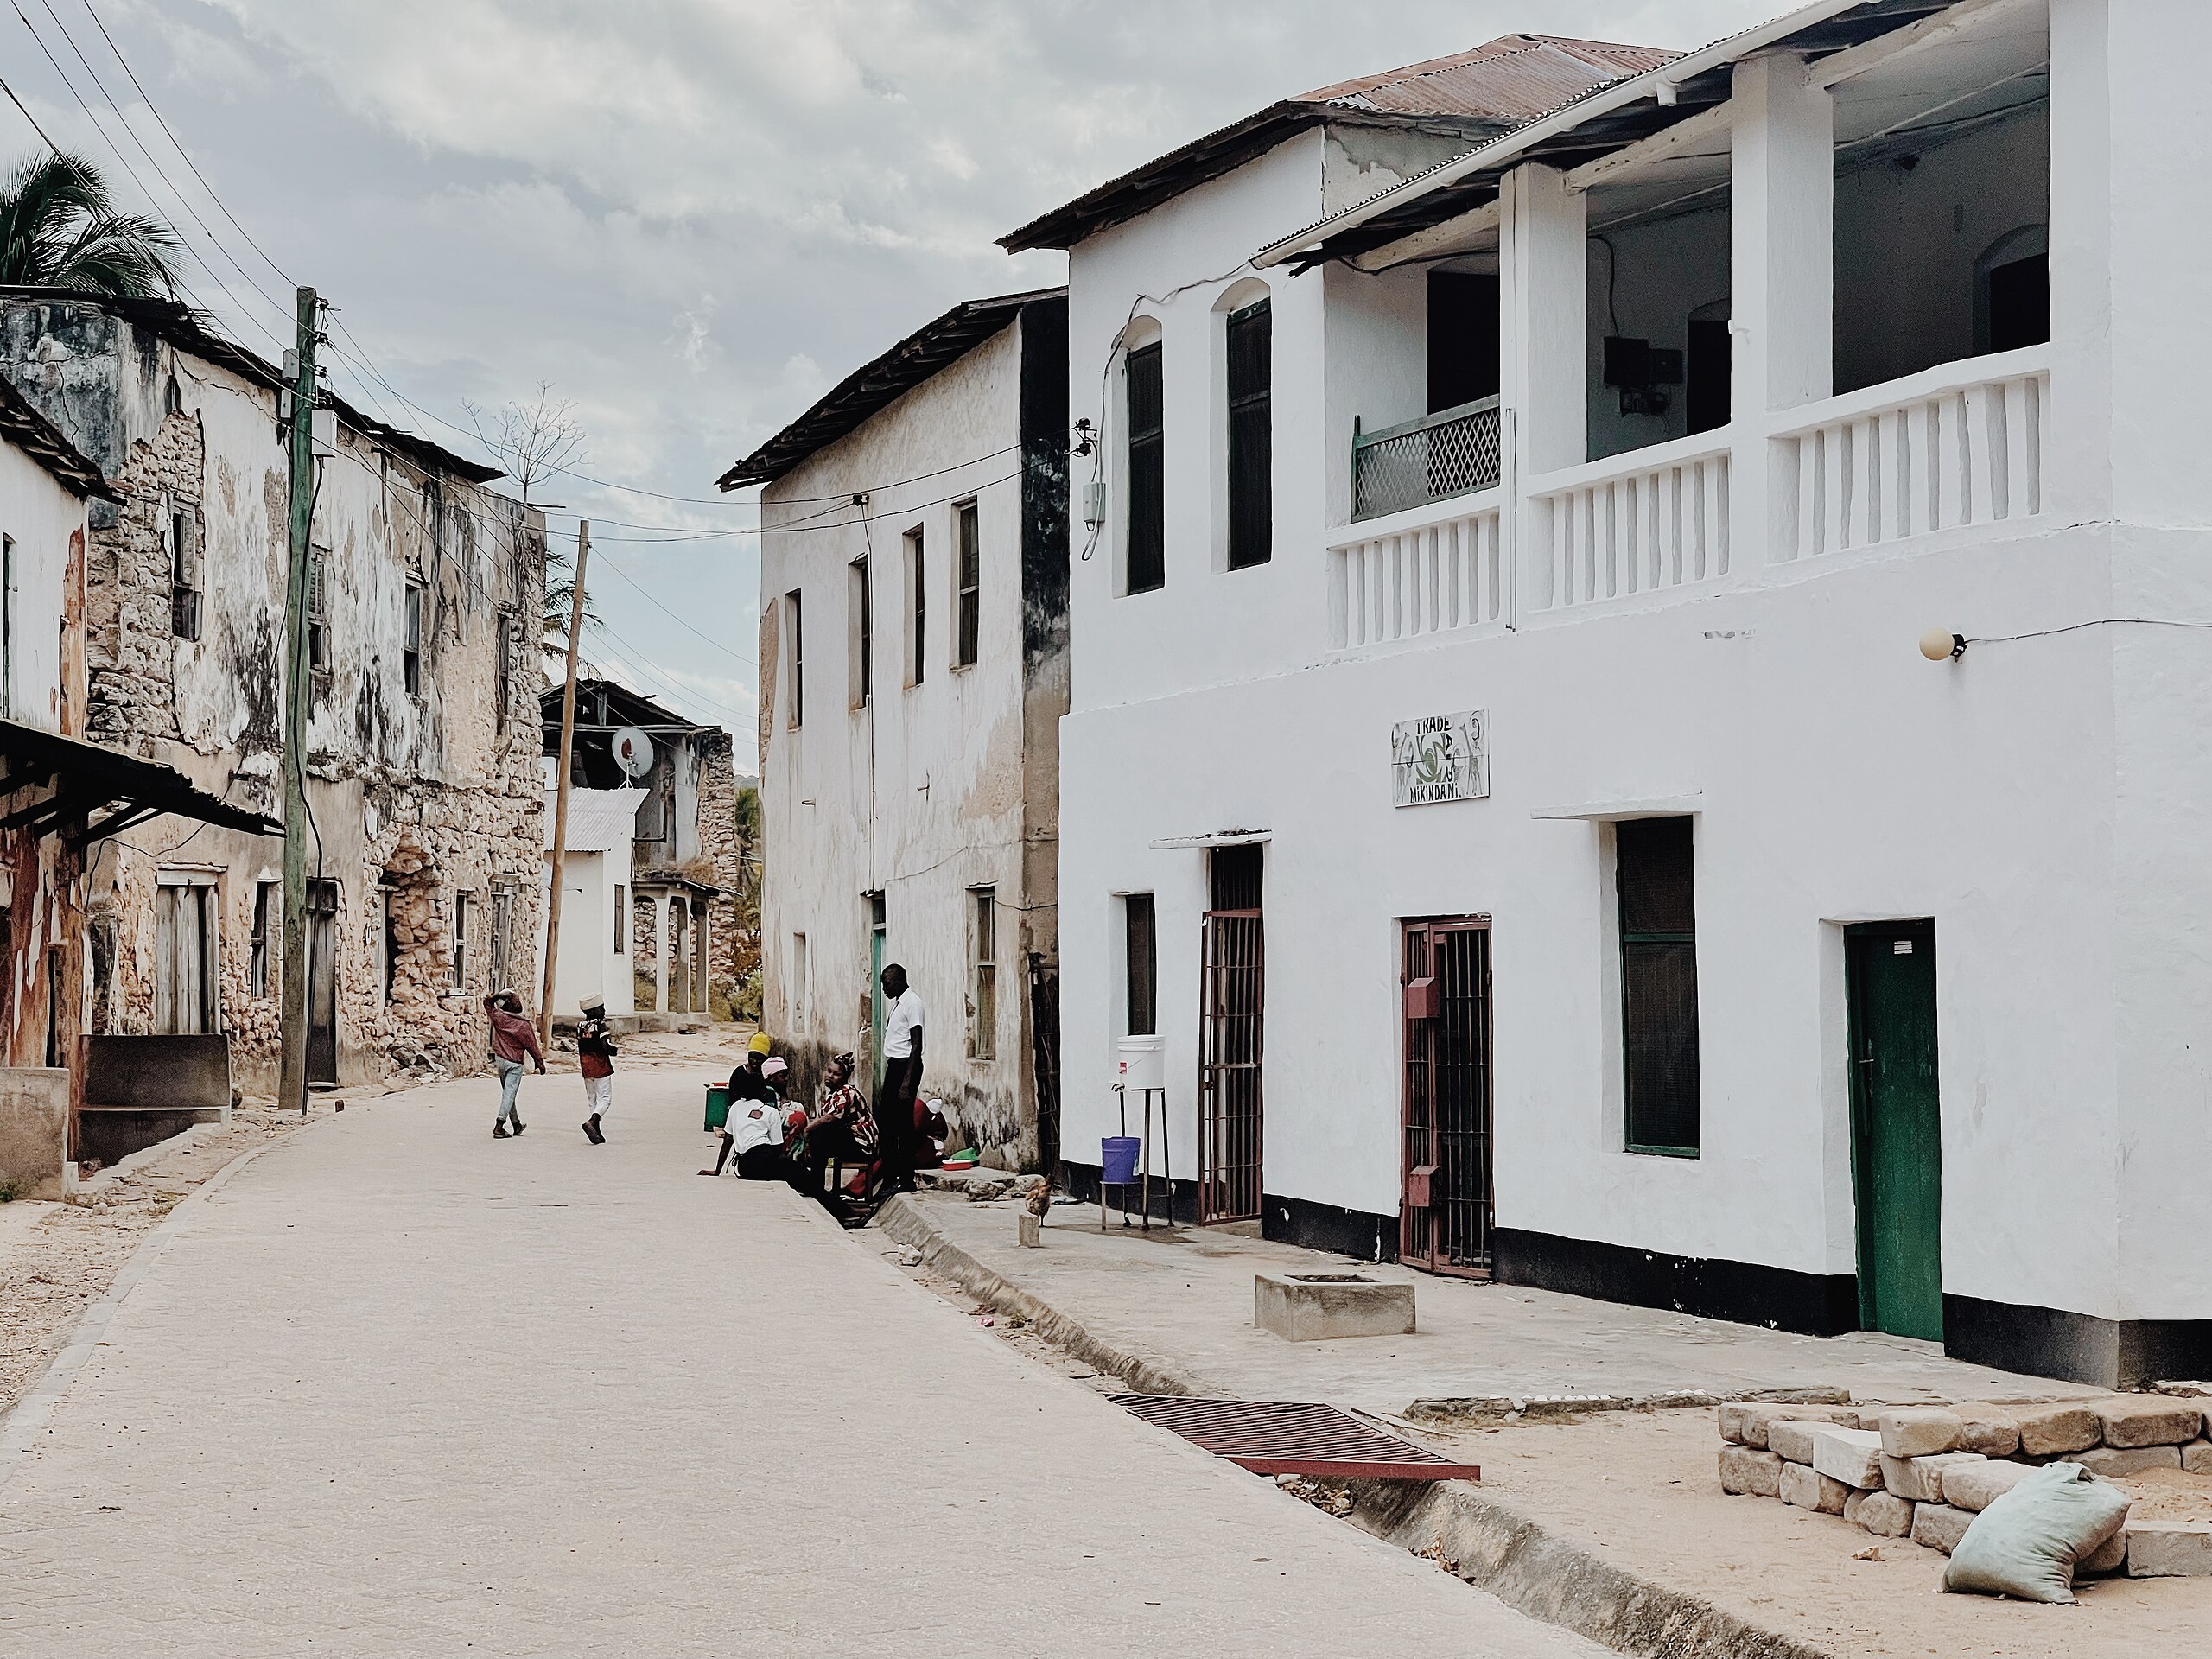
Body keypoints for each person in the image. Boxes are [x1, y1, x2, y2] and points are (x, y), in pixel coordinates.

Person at [874, 964, 925, 1193]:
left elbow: (916, 1045)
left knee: (902, 1125)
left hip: (906, 1066)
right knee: (886, 1123)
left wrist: (907, 1082)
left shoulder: (912, 1003)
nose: (884, 988)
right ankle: (890, 1174)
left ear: (900, 980)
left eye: (888, 984)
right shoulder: (898, 1003)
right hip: (895, 1065)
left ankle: (905, 1179)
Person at [702, 1033, 778, 1177]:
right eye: (752, 1057)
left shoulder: (767, 1077)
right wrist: (717, 1170)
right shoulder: (739, 1074)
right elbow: (728, 1138)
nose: (755, 1061)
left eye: (759, 1059)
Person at [483, 988, 546, 1140]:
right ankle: (499, 1125)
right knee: (509, 1093)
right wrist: (540, 1062)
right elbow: (532, 1045)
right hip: (515, 1063)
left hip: (500, 1060)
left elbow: (487, 1003)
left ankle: (516, 1123)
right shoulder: (523, 1025)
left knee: (508, 1093)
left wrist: (496, 996)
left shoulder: (498, 1017)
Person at [730, 1058, 789, 1180]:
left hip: (744, 1166)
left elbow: (727, 1139)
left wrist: (717, 1170)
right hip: (764, 1157)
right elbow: (777, 1146)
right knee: (797, 1173)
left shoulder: (736, 1107)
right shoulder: (770, 1111)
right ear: (764, 1091)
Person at [577, 997, 617, 1143]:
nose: (604, 1011)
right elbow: (605, 1046)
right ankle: (593, 1121)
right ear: (593, 1010)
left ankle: (596, 1130)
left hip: (585, 1065)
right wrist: (614, 1050)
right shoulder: (600, 1026)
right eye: (601, 1008)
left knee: (592, 1099)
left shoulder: (580, 1026)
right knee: (605, 1099)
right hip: (600, 1064)